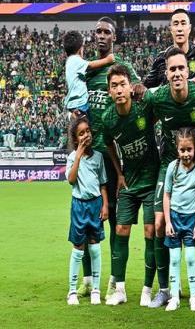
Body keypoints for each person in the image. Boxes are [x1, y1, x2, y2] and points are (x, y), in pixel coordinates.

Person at [77, 17, 140, 301]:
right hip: (89, 157)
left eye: (107, 32)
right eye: (98, 32)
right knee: (87, 219)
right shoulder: (86, 70)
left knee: (115, 217)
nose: (101, 36)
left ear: (114, 37)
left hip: (112, 155)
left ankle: (115, 280)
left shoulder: (122, 68)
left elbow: (139, 89)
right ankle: (88, 280)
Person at [146, 47, 195, 309]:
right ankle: (165, 289)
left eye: (181, 68)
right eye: (172, 69)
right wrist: (138, 88)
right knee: (159, 223)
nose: (177, 73)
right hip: (168, 165)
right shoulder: (159, 98)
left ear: (188, 71)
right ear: (166, 73)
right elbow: (141, 100)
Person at [102, 64, 159, 307]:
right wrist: (119, 173)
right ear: (109, 91)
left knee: (150, 232)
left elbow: (160, 104)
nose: (119, 90)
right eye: (114, 86)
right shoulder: (108, 119)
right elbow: (109, 144)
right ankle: (120, 290)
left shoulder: (143, 106)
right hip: (129, 182)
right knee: (120, 231)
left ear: (129, 86)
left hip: (151, 181)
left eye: (122, 84)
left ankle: (147, 289)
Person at [65, 116, 108, 306]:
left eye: (87, 131)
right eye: (81, 133)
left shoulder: (98, 157)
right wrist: (79, 155)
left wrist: (105, 205)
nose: (85, 135)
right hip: (79, 206)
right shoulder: (72, 157)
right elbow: (71, 180)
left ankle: (96, 290)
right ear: (75, 139)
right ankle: (72, 291)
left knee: (95, 247)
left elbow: (103, 184)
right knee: (78, 249)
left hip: (95, 204)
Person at [164, 128, 195, 312]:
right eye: (182, 150)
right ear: (177, 150)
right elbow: (166, 195)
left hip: (191, 220)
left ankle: (194, 297)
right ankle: (174, 297)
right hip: (174, 218)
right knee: (174, 259)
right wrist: (168, 222)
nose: (186, 154)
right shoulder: (172, 168)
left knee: (190, 258)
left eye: (189, 149)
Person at [62, 30, 114, 118]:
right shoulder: (75, 60)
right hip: (79, 103)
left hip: (75, 103)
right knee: (84, 123)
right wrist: (107, 60)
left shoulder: (69, 61)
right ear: (80, 49)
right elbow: (91, 65)